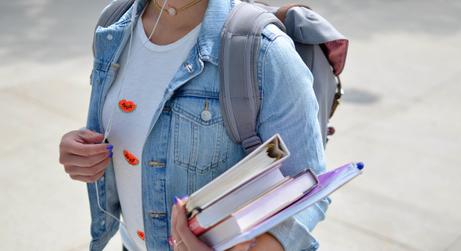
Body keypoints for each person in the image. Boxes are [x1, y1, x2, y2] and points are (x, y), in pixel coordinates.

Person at [58, 0, 330, 250]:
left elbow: (309, 188)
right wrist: (81, 151)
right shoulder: (115, 23)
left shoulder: (265, 51)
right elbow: (124, 129)